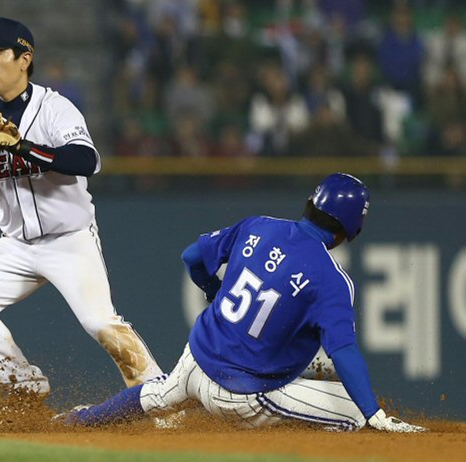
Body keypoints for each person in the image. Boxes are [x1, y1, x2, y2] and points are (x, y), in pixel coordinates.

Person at [60, 173, 426, 433]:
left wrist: (212, 289)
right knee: (352, 413)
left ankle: (80, 419)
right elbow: (344, 352)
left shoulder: (258, 225)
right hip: (241, 397)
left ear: (310, 203)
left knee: (160, 394)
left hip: (193, 363)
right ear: (350, 230)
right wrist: (374, 414)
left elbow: (192, 256)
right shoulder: (331, 279)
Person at [0, 17, 163, 421]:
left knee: (101, 323)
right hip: (15, 245)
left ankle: (162, 402)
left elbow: (87, 160)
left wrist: (23, 147)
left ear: (24, 59)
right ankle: (22, 388)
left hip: (69, 240)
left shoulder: (54, 107)